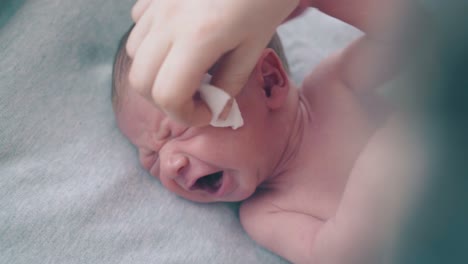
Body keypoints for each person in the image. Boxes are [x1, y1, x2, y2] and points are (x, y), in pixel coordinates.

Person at [114, 0, 421, 263]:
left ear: (269, 81)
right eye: (150, 156)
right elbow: (339, 255)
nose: (169, 164)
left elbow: (415, 32)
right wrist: (379, 164)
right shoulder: (266, 213)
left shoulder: (335, 85)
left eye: (179, 130)